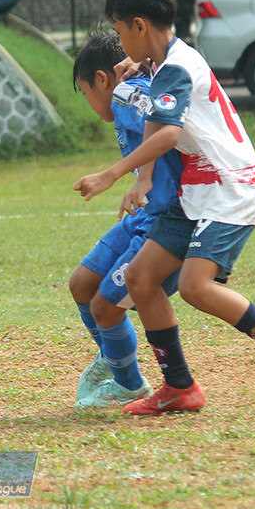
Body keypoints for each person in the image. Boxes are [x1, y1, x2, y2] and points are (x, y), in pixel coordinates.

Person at [73, 0, 255, 415]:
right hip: (198, 192)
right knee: (140, 278)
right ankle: (179, 387)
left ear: (139, 25)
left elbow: (167, 135)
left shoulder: (177, 68)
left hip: (227, 193)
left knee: (194, 286)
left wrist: (112, 175)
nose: (119, 45)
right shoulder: (168, 62)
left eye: (119, 31)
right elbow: (222, 121)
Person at [68, 31, 185, 408]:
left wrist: (124, 177)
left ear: (102, 79)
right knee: (82, 283)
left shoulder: (125, 94)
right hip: (143, 212)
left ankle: (129, 383)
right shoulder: (132, 88)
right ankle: (112, 356)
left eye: (86, 93)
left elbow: (168, 122)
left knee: (105, 307)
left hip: (163, 218)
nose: (90, 104)